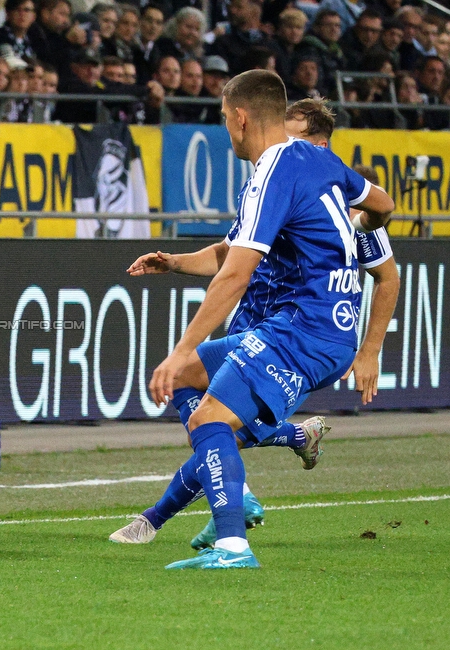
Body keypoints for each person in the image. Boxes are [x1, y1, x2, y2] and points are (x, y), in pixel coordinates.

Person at [110, 70, 394, 569]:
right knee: (191, 383)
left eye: (223, 119)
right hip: (315, 328)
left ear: (240, 117)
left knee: (208, 416)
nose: (225, 129)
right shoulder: (316, 159)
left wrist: (178, 347)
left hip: (304, 329)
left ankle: (232, 546)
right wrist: (175, 263)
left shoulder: (272, 171)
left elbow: (236, 275)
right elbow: (384, 204)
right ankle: (236, 483)